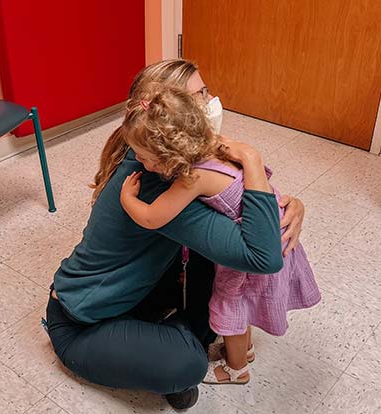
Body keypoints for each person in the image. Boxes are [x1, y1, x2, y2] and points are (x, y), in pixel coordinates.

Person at [45, 59, 305, 410]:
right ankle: (177, 339)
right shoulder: (157, 179)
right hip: (82, 324)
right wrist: (254, 163)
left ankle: (176, 329)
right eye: (196, 97)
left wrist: (291, 205)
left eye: (205, 91)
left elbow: (236, 200)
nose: (209, 103)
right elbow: (263, 256)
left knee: (213, 270)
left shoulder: (171, 158)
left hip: (136, 291)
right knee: (189, 364)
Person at [119, 85, 321, 385]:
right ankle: (246, 350)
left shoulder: (193, 177)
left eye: (144, 157)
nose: (140, 162)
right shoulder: (215, 146)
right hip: (275, 229)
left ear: (167, 156)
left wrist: (127, 200)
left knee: (232, 306)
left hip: (256, 248)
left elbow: (151, 217)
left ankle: (236, 370)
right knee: (246, 304)